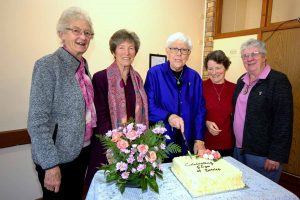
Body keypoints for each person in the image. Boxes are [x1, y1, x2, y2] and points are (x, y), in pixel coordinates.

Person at [27, 7, 96, 199]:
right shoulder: (47, 65)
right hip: (58, 158)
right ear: (61, 33)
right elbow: (37, 121)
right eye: (76, 30)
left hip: (81, 152)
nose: (83, 36)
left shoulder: (83, 66)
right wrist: (50, 164)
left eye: (87, 33)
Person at [85, 29, 149, 186]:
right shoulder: (101, 78)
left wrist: (132, 144)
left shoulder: (138, 79)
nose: (126, 52)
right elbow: (100, 115)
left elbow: (141, 114)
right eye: (121, 47)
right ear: (113, 51)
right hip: (107, 148)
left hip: (134, 149)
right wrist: (117, 143)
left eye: (131, 48)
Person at [232, 38, 293, 182]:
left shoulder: (278, 81)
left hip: (263, 155)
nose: (249, 59)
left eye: (254, 54)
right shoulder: (241, 80)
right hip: (239, 150)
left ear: (264, 56)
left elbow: (284, 121)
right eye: (245, 56)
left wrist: (276, 155)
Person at [144, 32, 206, 161]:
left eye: (184, 50)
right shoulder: (154, 74)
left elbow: (200, 110)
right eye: (174, 49)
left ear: (188, 54)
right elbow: (148, 106)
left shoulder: (195, 77)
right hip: (162, 140)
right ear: (167, 51)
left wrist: (199, 139)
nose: (179, 54)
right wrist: (168, 116)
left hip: (187, 140)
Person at [203, 50, 236, 156]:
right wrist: (206, 123)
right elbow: (192, 113)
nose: (214, 72)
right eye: (210, 69)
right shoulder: (200, 87)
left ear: (225, 67)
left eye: (218, 68)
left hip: (227, 144)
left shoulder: (234, 88)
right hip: (204, 144)